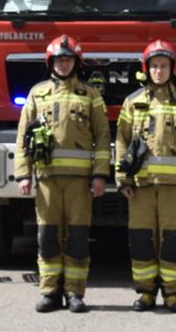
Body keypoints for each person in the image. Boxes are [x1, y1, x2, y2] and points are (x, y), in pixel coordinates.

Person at [14, 35, 110, 313]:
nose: (64, 64)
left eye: (68, 59)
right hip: (46, 181)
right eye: (59, 59)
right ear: (51, 62)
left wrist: (100, 175)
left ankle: (75, 293)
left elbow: (102, 138)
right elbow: (24, 137)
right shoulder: (37, 93)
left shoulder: (91, 95)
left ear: (76, 62)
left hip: (80, 182)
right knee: (48, 236)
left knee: (78, 237)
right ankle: (49, 292)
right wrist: (23, 175)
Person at [115, 40, 176, 313]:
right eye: (154, 66)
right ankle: (145, 293)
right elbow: (121, 141)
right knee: (142, 239)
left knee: (173, 240)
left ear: (171, 69)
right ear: (146, 69)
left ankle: (171, 293)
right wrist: (123, 179)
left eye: (164, 66)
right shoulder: (132, 102)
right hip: (141, 187)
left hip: (175, 188)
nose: (158, 71)